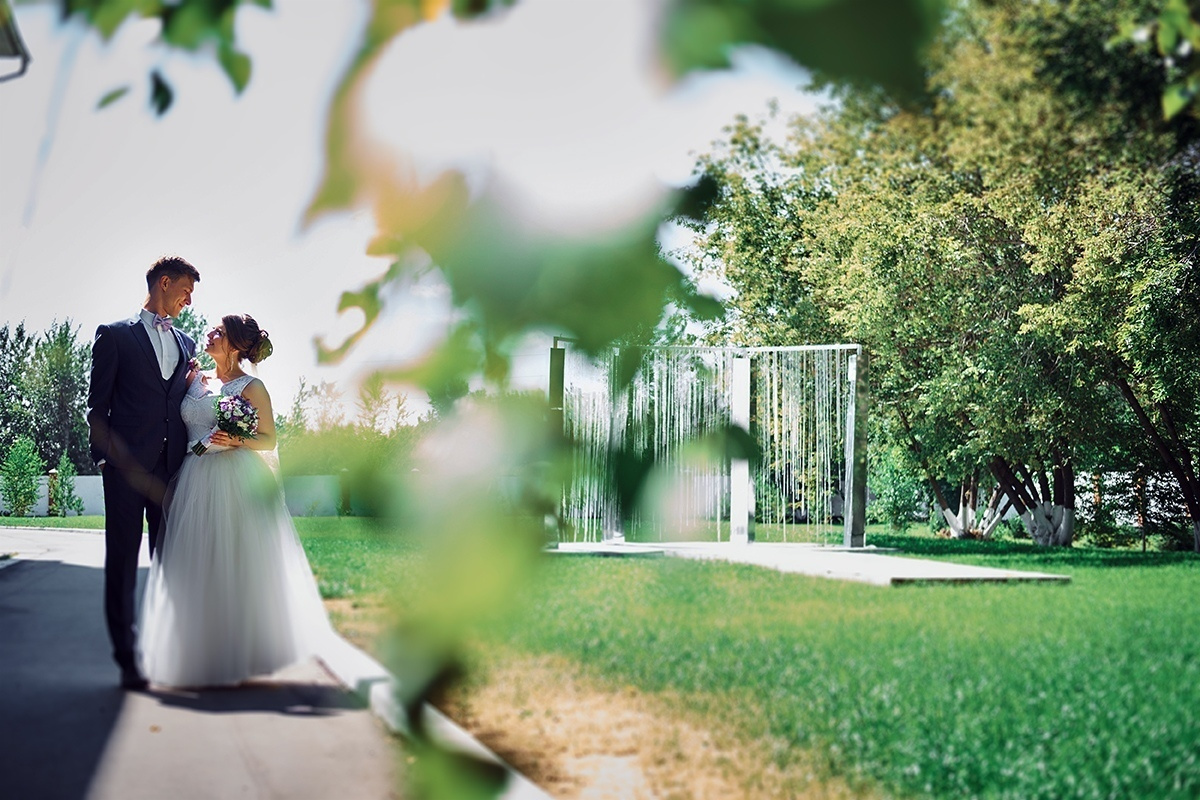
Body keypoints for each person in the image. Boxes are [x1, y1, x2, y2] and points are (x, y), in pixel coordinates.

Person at [138, 314, 333, 688]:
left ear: (235, 345)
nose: (209, 334)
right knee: (198, 563)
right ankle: (198, 652)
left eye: (219, 332)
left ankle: (240, 654)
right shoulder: (194, 378)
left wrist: (236, 439)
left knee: (236, 564)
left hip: (236, 480)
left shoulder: (251, 386)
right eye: (212, 329)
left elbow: (269, 440)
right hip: (194, 476)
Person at [88, 256, 200, 691]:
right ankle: (128, 658)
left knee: (170, 562)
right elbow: (98, 407)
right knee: (121, 563)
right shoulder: (114, 336)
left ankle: (168, 650)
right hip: (123, 471)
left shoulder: (188, 343)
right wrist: (103, 460)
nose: (189, 300)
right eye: (186, 290)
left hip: (170, 472)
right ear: (165, 283)